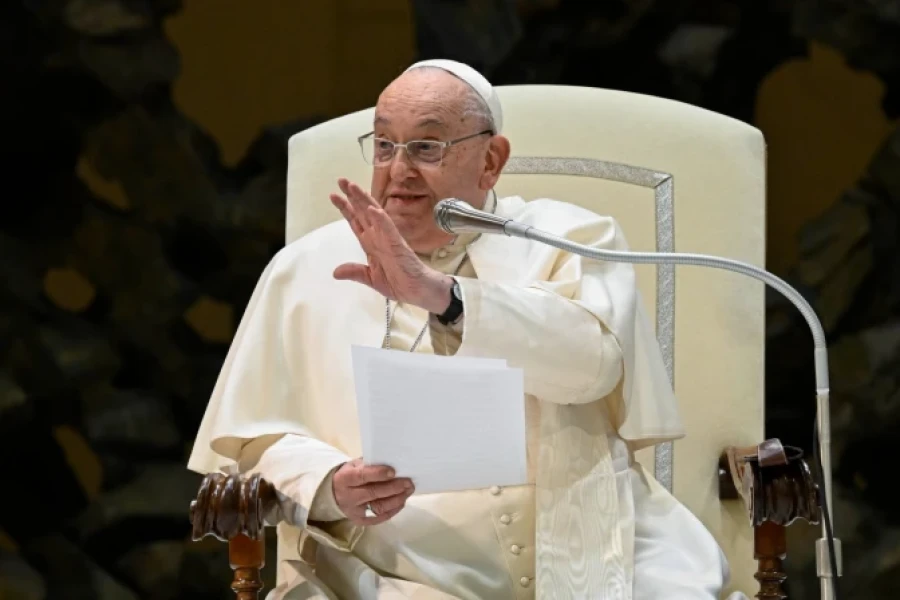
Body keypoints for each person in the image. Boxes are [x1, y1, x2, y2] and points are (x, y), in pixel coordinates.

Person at [187, 59, 734, 599]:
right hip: (391, 575)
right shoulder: (305, 269)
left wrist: (444, 298)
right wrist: (329, 486)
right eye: (385, 145)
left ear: (490, 161)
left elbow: (592, 367)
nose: (399, 171)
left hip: (594, 545)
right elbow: (253, 441)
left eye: (426, 147)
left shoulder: (569, 238)